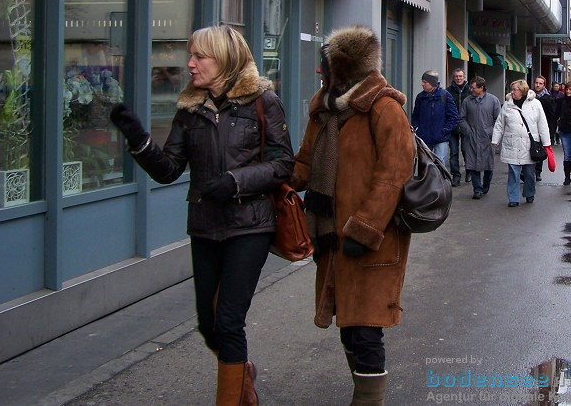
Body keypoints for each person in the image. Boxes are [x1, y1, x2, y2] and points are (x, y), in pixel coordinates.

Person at [109, 25, 294, 405]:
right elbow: (169, 169)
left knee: (228, 321)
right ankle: (242, 371)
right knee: (208, 326)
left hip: (251, 225)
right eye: (190, 56)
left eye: (199, 57)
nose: (190, 64)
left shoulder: (263, 100)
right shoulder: (190, 107)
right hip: (206, 226)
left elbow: (283, 164)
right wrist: (139, 140)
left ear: (224, 59)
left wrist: (235, 181)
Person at [291, 26, 414, 405]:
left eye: (324, 65)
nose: (318, 72)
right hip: (332, 237)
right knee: (347, 323)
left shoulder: (384, 107)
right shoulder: (324, 108)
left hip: (372, 240)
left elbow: (393, 175)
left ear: (344, 69)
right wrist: (267, 179)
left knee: (365, 327)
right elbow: (304, 164)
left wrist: (364, 230)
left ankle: (368, 400)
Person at [492, 79, 551, 206]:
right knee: (513, 173)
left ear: (522, 90)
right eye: (511, 90)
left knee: (529, 173)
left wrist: (546, 142)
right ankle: (513, 198)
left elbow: (542, 124)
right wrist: (495, 139)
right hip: (512, 143)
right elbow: (499, 123)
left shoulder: (535, 104)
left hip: (529, 145)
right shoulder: (508, 104)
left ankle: (529, 193)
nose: (512, 92)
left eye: (515, 89)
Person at [459, 76, 501, 199]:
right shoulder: (467, 101)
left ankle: (486, 185)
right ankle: (477, 189)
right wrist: (468, 131)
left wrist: (491, 132)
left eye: (473, 87)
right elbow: (461, 118)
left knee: (488, 165)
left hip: (487, 139)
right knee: (472, 165)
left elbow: (498, 120)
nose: (471, 89)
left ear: (481, 88)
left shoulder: (493, 100)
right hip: (471, 138)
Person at [411, 70, 459, 170]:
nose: (422, 84)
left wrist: (445, 130)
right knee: (424, 164)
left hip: (440, 138)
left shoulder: (445, 95)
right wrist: (416, 128)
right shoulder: (420, 97)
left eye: (425, 82)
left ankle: (439, 184)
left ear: (432, 83)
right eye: (422, 81)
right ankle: (426, 184)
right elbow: (415, 115)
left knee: (439, 163)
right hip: (424, 138)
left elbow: (454, 117)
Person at [446, 68, 470, 186]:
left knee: (466, 150)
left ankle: (469, 171)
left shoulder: (470, 90)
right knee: (453, 153)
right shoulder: (448, 91)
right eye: (456, 76)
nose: (458, 78)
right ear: (453, 78)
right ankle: (456, 176)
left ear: (464, 77)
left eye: (460, 76)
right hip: (453, 126)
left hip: (466, 125)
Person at [532, 76, 558, 180]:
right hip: (530, 128)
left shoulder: (548, 99)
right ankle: (528, 171)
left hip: (542, 129)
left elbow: (552, 117)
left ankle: (538, 171)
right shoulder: (530, 96)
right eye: (536, 83)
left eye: (540, 83)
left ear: (544, 85)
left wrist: (551, 134)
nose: (537, 85)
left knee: (539, 151)